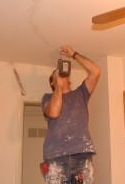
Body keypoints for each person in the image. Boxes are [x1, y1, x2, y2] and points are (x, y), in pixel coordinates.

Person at [40, 45, 101, 184]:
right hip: (56, 158)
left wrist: (74, 54)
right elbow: (54, 113)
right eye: (57, 73)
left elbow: (96, 71)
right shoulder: (47, 98)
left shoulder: (81, 94)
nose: (61, 73)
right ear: (52, 82)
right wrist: (59, 86)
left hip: (82, 156)